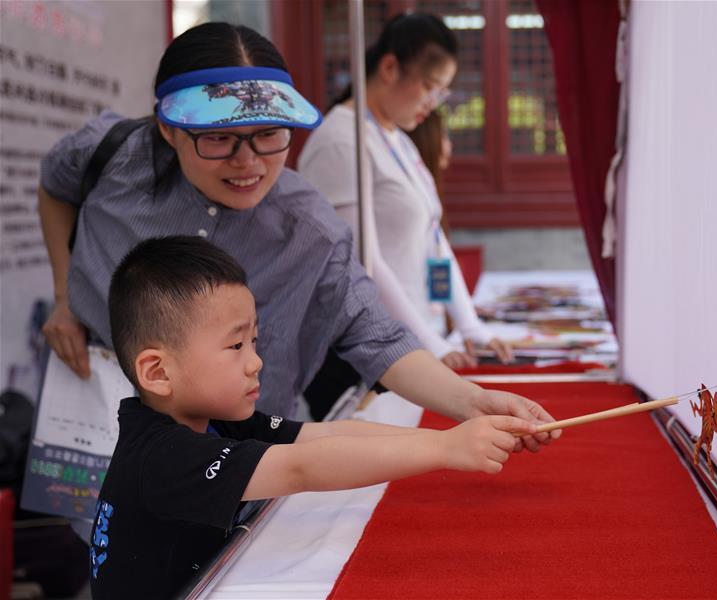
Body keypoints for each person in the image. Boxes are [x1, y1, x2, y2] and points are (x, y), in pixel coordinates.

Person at [38, 22, 557, 446]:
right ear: (169, 129)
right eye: (218, 139)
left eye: (269, 135)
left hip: (236, 458)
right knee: (109, 554)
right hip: (94, 418)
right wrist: (65, 296)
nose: (248, 163)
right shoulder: (112, 156)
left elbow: (374, 333)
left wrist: (470, 401)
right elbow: (54, 187)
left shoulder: (308, 228)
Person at [90, 236, 537, 599]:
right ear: (158, 372)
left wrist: (454, 432)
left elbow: (322, 437)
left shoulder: (212, 418)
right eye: (235, 346)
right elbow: (303, 467)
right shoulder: (162, 456)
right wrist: (447, 448)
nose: (256, 363)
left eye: (254, 342)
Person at [298, 12, 513, 370]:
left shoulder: (397, 139)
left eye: (442, 91)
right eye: (430, 86)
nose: (434, 102)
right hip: (370, 350)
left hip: (414, 342)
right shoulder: (341, 141)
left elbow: (434, 241)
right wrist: (428, 345)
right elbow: (362, 260)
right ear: (389, 68)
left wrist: (469, 326)